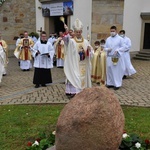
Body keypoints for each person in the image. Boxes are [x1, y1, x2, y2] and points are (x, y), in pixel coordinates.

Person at [63, 18, 94, 97]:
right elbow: (66, 41)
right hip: (75, 63)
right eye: (77, 32)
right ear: (74, 32)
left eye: (79, 32)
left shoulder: (86, 41)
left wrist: (89, 51)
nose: (78, 33)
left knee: (82, 77)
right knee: (75, 76)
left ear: (81, 32)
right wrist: (66, 31)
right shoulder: (72, 41)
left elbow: (90, 52)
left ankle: (83, 91)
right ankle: (74, 92)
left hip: (83, 62)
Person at [104, 26, 125, 90]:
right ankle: (110, 83)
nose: (112, 32)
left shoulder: (120, 39)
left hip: (116, 57)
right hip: (109, 56)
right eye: (111, 31)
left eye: (113, 31)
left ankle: (117, 84)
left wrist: (118, 50)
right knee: (109, 70)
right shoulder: (108, 39)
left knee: (116, 71)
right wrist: (108, 49)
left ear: (116, 31)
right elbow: (105, 47)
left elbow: (123, 47)